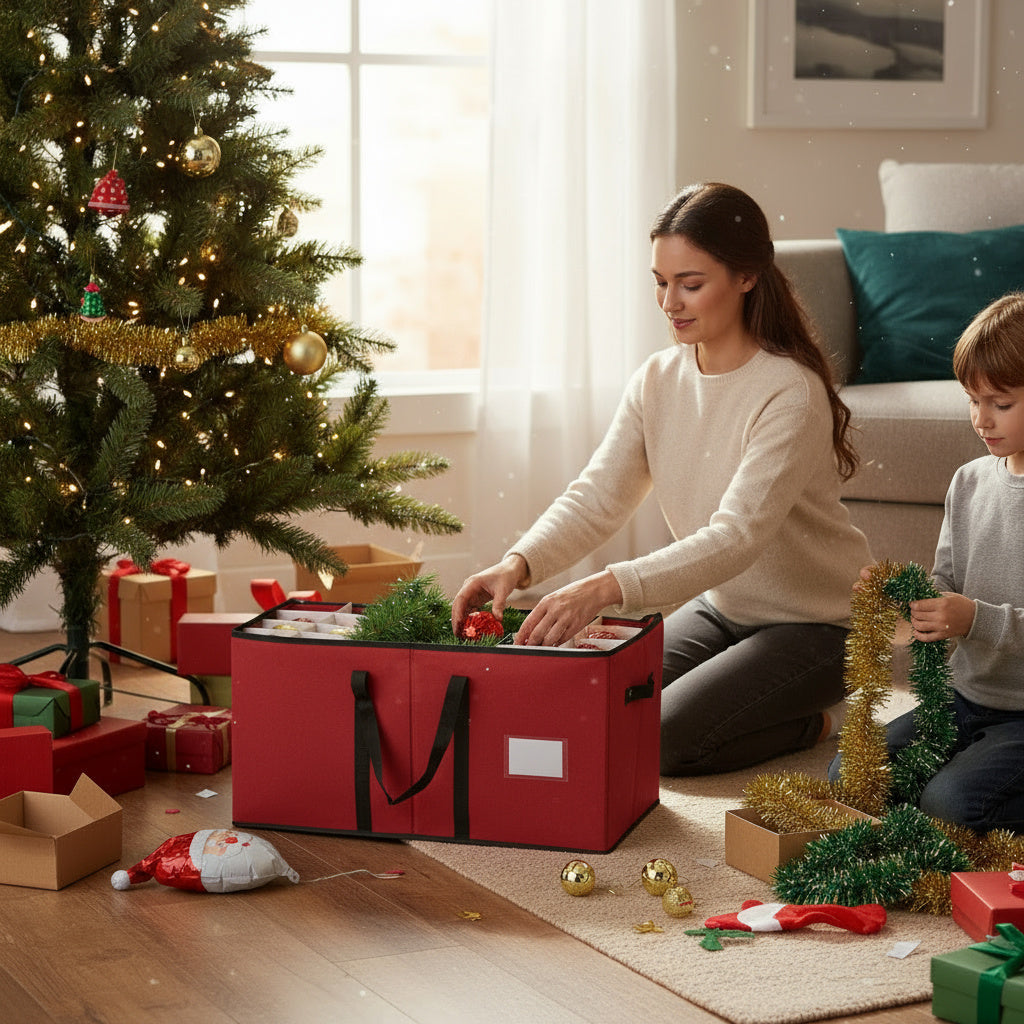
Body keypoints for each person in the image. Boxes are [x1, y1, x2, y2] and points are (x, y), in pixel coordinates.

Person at [452, 181, 873, 775]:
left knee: (664, 739)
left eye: (690, 284)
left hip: (820, 625)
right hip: (723, 608)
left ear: (747, 277)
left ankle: (823, 720)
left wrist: (603, 588)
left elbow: (736, 537)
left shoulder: (789, 393)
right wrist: (517, 565)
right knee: (596, 703)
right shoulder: (657, 379)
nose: (670, 302)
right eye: (660, 281)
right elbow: (598, 495)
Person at [830, 291, 1024, 832]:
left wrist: (976, 618)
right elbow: (944, 586)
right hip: (964, 698)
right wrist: (905, 601)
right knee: (850, 776)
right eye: (972, 400)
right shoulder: (969, 482)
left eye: (1000, 403)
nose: (981, 419)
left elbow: (969, 614)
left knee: (952, 805)